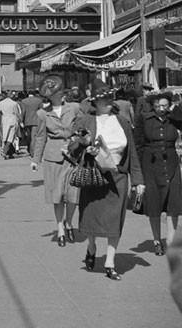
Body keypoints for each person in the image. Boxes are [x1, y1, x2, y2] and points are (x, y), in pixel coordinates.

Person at [71, 78, 145, 280]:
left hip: (118, 176)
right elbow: (71, 149)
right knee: (92, 218)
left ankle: (110, 263)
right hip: (94, 176)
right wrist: (84, 145)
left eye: (110, 98)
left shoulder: (122, 121)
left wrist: (138, 181)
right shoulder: (85, 120)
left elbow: (133, 152)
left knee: (115, 220)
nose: (109, 102)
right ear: (94, 102)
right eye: (104, 99)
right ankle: (92, 246)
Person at [31, 75, 79, 248]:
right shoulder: (43, 114)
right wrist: (36, 159)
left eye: (60, 91)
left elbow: (83, 127)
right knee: (57, 196)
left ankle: (69, 222)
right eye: (56, 93)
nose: (60, 94)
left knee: (73, 195)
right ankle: (60, 228)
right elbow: (40, 137)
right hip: (53, 158)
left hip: (73, 156)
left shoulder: (74, 108)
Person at [133, 91, 182, 256]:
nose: (161, 109)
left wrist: (174, 108)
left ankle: (170, 240)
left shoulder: (174, 118)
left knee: (173, 204)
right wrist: (138, 174)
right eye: (157, 106)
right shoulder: (144, 119)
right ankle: (156, 241)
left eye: (164, 106)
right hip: (150, 164)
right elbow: (137, 145)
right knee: (154, 204)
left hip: (171, 164)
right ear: (152, 106)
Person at [0, 91, 21, 159]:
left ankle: (8, 152)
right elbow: (17, 113)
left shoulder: (1, 103)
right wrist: (20, 121)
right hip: (12, 120)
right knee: (10, 137)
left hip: (4, 120)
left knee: (4, 137)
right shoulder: (14, 103)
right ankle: (5, 152)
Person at [20, 89, 42, 157]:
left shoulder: (23, 101)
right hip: (36, 121)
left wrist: (21, 120)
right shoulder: (39, 101)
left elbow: (23, 112)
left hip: (27, 121)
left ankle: (29, 149)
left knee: (28, 137)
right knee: (34, 137)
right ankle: (33, 152)